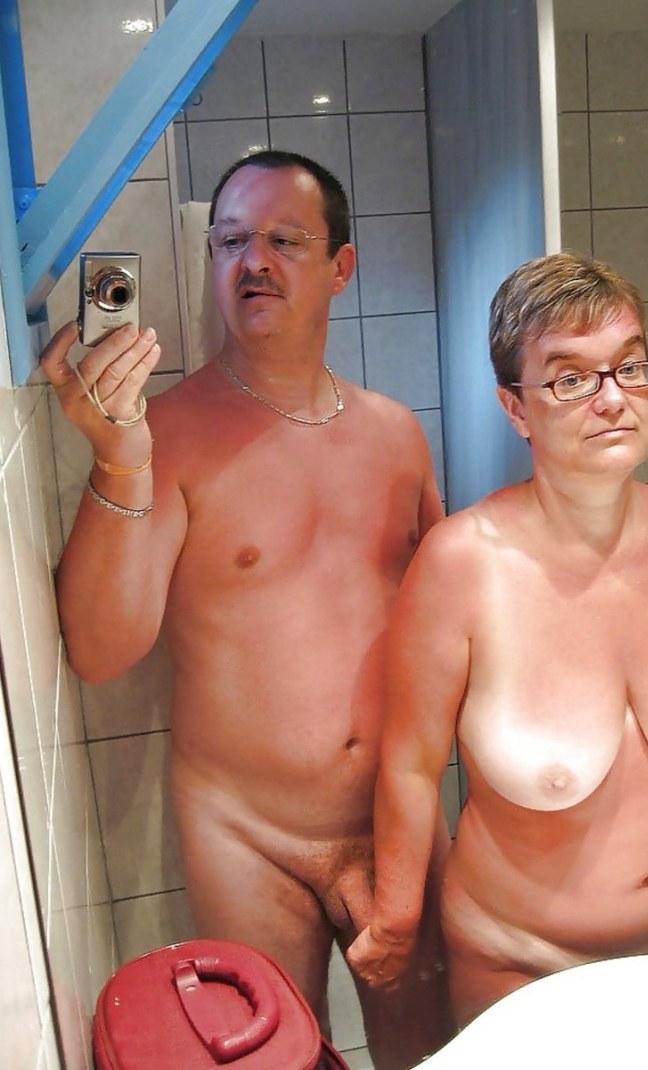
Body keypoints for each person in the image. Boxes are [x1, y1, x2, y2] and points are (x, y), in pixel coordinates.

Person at [40, 150, 453, 1069]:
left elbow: (455, 620)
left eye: (283, 240)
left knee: (430, 1052)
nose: (252, 261)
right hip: (245, 831)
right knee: (270, 1057)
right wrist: (117, 461)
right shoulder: (165, 434)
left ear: (341, 267)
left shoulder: (396, 434)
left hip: (394, 812)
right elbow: (101, 651)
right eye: (229, 241)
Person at [347, 251, 648, 1026]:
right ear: (515, 408)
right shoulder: (463, 562)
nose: (613, 399)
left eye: (630, 367)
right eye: (571, 378)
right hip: (521, 964)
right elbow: (412, 764)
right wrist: (396, 916)